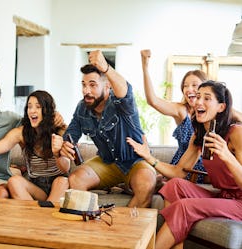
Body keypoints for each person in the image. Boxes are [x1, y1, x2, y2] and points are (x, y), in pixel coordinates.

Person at [127, 80, 242, 249]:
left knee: (184, 207)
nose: (198, 102)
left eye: (207, 98)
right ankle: (176, 243)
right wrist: (148, 157)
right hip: (224, 196)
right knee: (174, 185)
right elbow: (179, 172)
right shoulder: (200, 135)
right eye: (197, 97)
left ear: (221, 107)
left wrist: (227, 155)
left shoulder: (236, 133)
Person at [57, 50, 157, 208]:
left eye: (92, 85)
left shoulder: (121, 104)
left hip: (135, 161)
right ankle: (92, 225)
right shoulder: (82, 108)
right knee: (76, 179)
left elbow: (125, 90)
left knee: (146, 184)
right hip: (106, 161)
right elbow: (70, 136)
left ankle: (124, 229)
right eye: (83, 85)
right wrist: (65, 145)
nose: (86, 91)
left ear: (108, 86)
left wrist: (106, 68)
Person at [141, 49, 242, 183]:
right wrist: (145, 66)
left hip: (206, 168)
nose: (189, 89)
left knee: (161, 182)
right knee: (161, 182)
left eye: (195, 85)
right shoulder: (182, 111)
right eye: (185, 86)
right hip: (183, 165)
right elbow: (153, 100)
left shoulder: (224, 116)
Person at [0, 90, 70, 202]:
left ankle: (42, 213)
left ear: (47, 111)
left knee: (62, 181)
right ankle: (34, 213)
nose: (32, 111)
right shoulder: (22, 133)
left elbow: (65, 168)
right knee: (14, 181)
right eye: (29, 107)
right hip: (37, 188)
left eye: (38, 107)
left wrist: (57, 154)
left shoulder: (60, 131)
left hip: (57, 184)